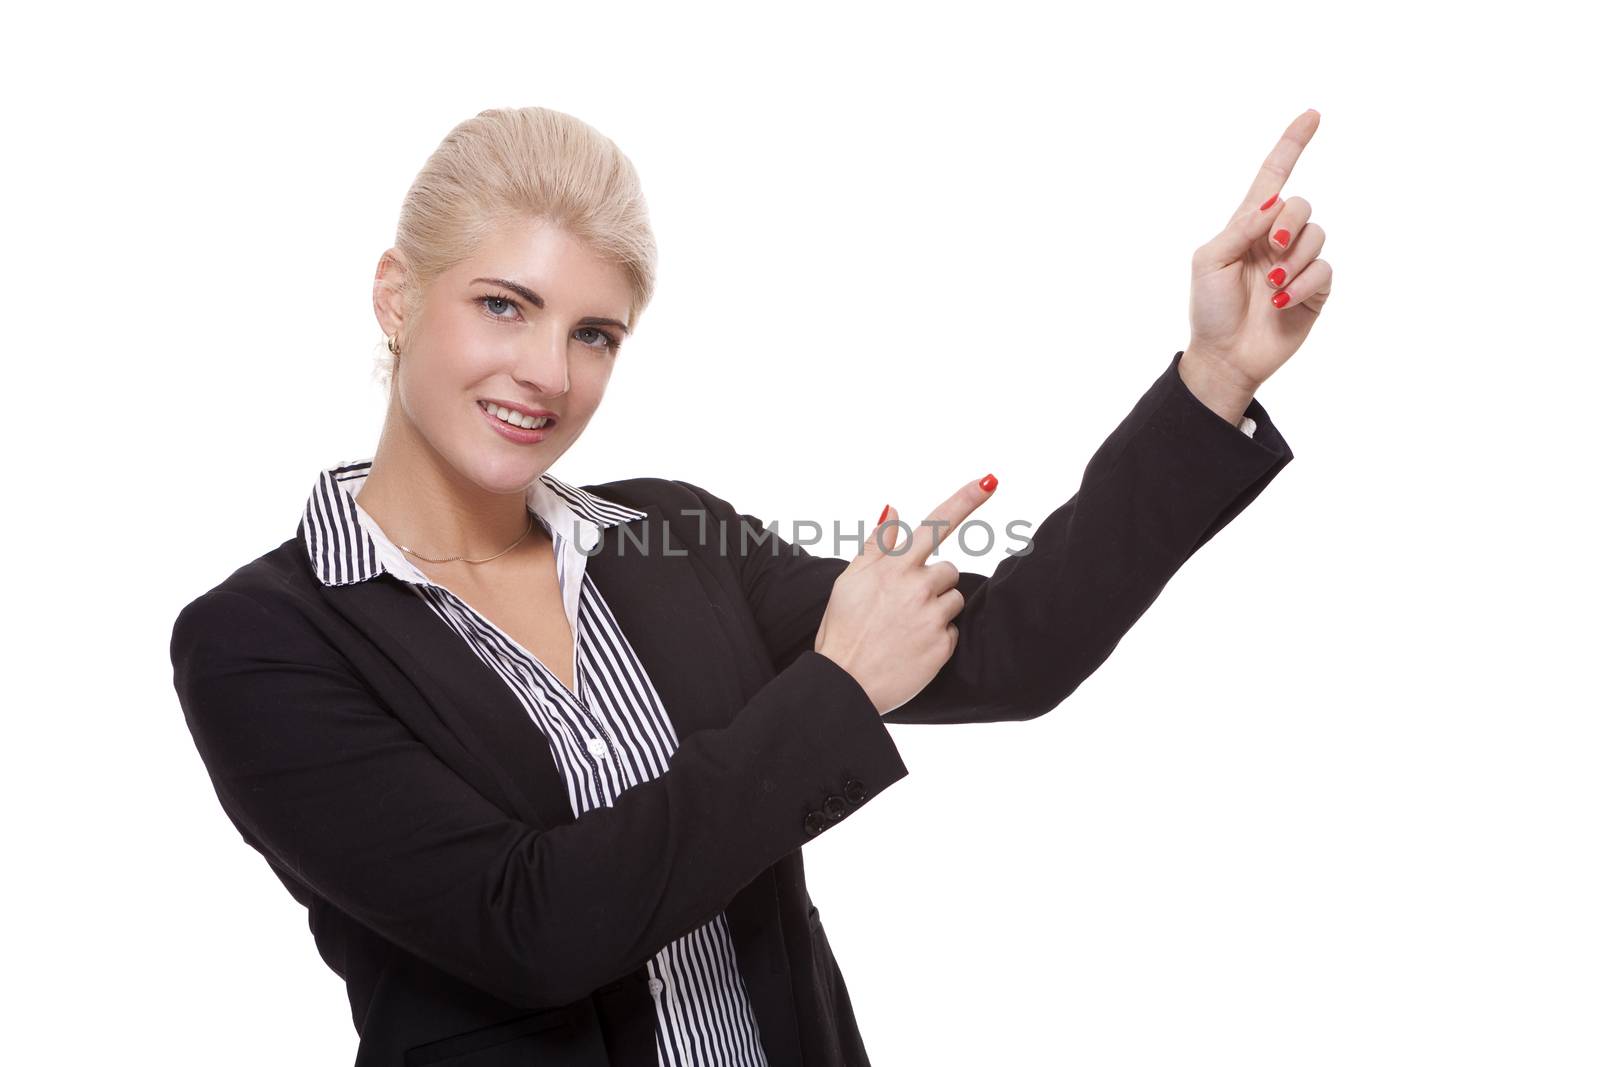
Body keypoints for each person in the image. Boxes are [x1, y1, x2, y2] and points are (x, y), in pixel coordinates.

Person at [168, 106, 1329, 1066]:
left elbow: (1012, 648)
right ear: (396, 295)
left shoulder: (669, 535)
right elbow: (531, 925)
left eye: (594, 334)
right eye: (502, 305)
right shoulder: (263, 642)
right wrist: (832, 688)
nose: (545, 373)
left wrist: (1212, 376)